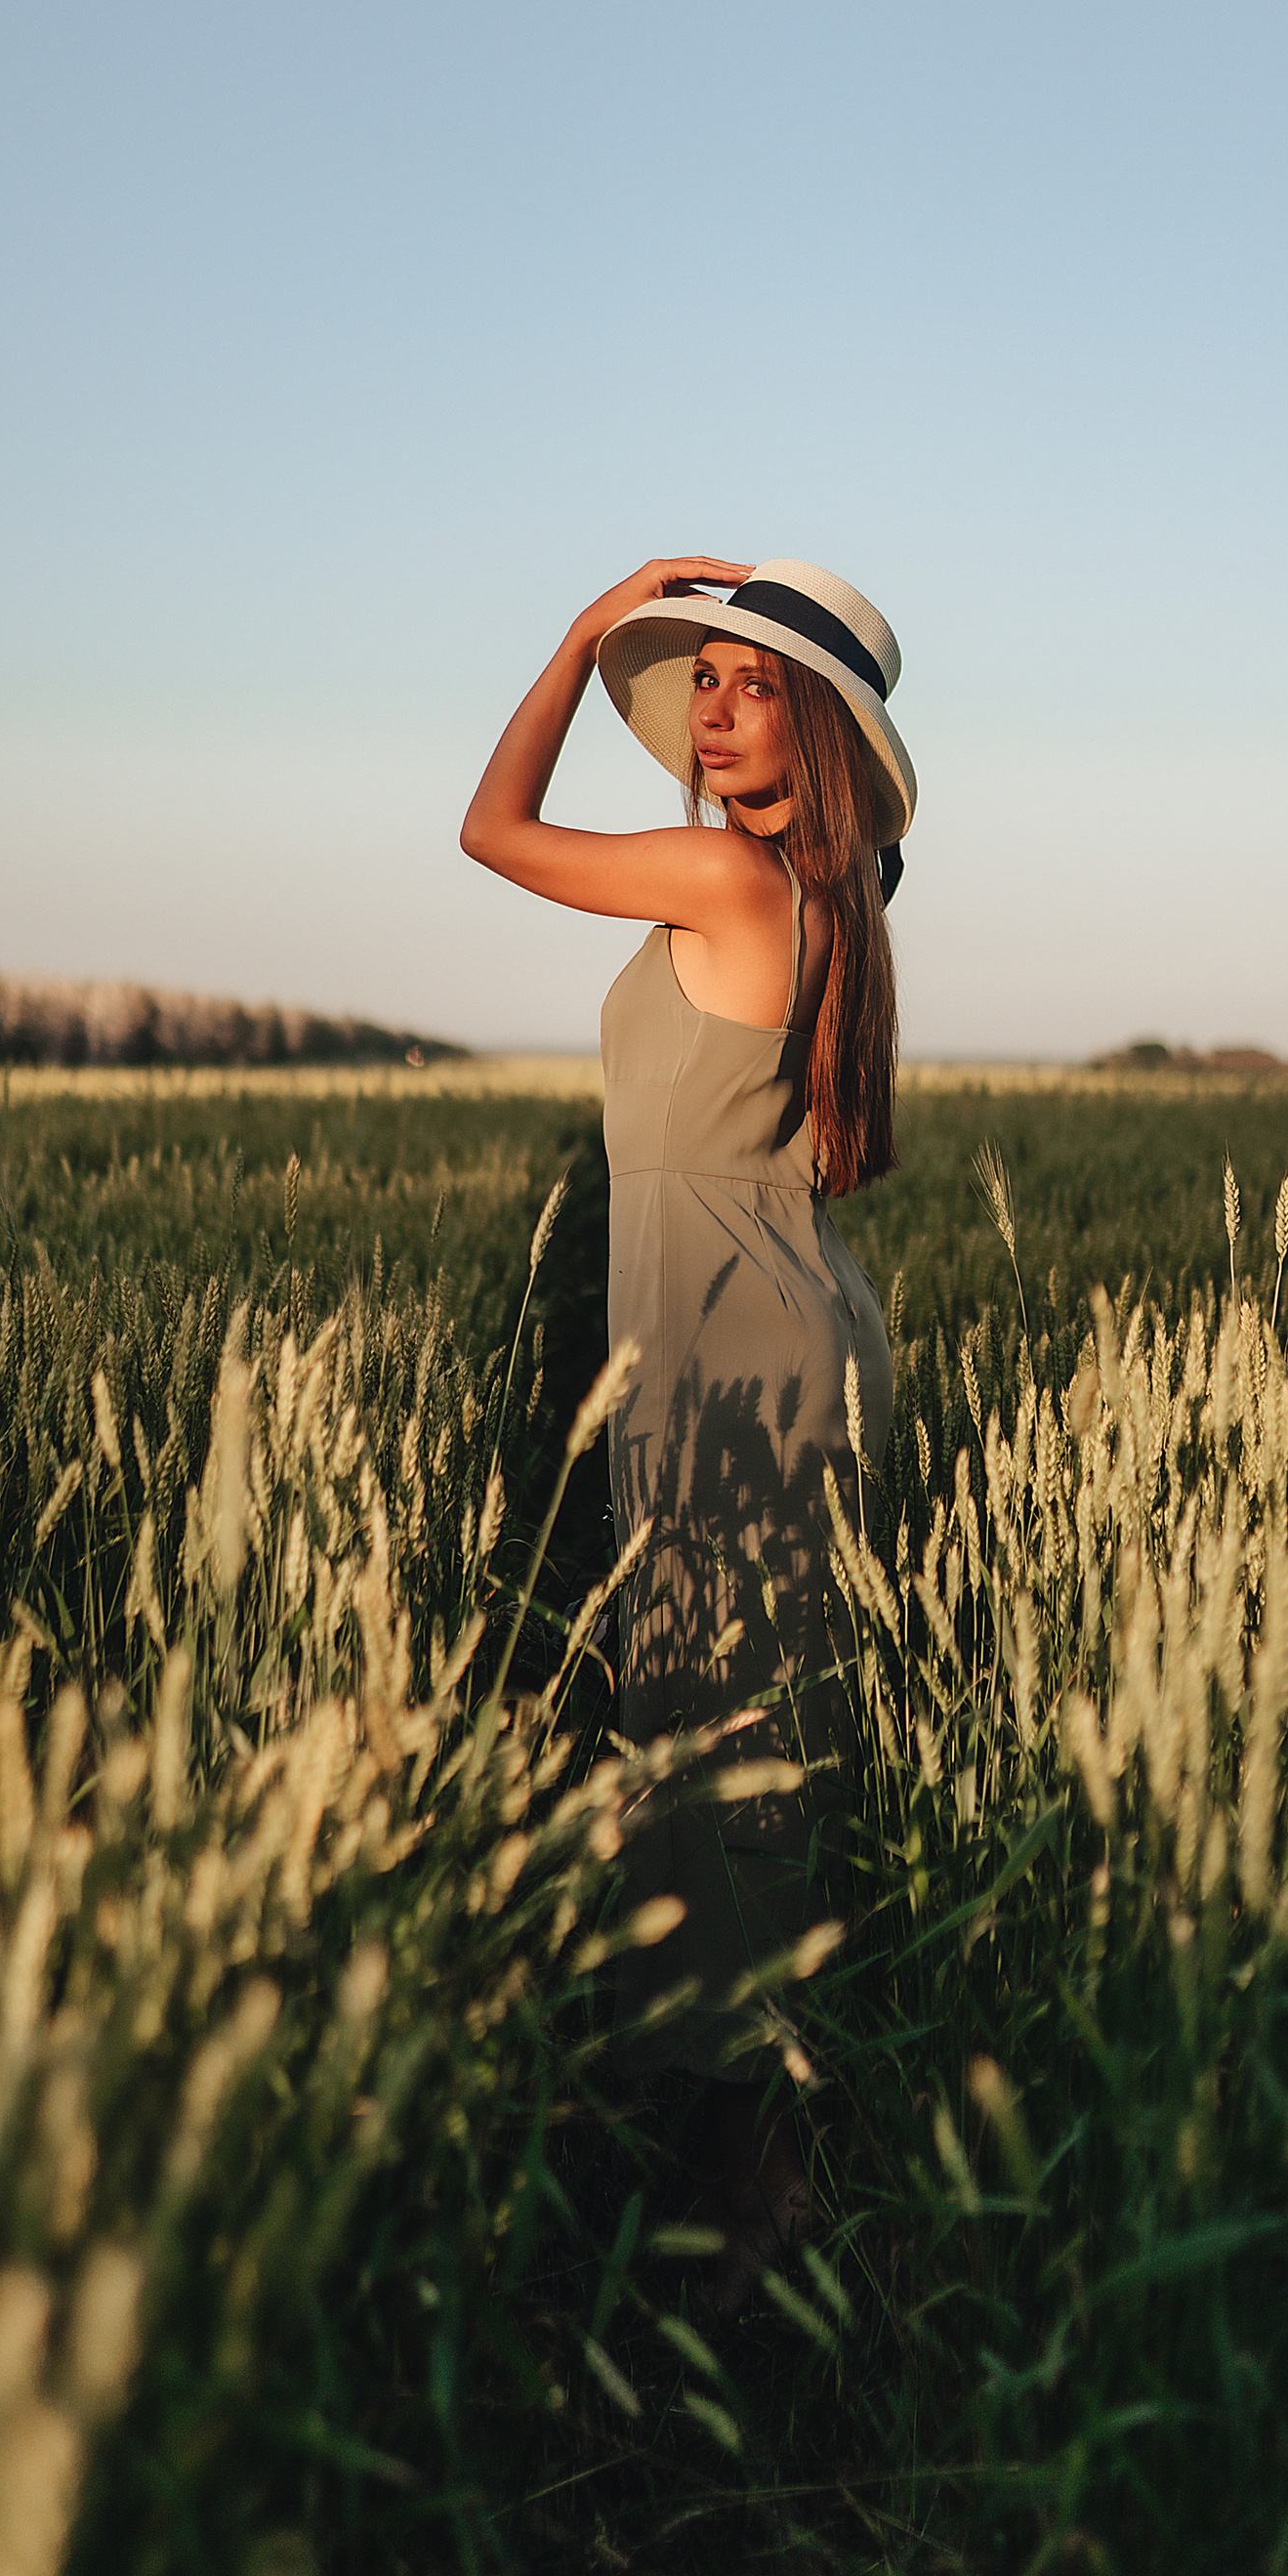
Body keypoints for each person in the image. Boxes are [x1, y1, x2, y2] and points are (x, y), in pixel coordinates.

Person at [461, 555, 914, 2303]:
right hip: (759, 1318)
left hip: (725, 1347)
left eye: (747, 683)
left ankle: (747, 2212)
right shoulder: (818, 885)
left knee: (717, 1748)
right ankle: (755, 2174)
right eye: (694, 679)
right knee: (742, 1737)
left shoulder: (725, 872)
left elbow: (494, 829)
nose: (713, 710)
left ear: (816, 723)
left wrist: (586, 635)